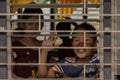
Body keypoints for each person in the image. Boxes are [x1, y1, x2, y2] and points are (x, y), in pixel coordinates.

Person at [12, 8, 43, 78]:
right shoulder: (15, 46)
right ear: (23, 25)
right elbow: (10, 72)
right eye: (30, 23)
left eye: (38, 24)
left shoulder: (44, 45)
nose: (34, 28)